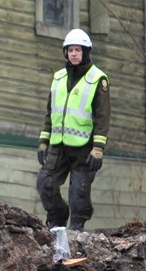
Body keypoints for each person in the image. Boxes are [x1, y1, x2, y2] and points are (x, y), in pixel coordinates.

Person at [36, 28, 109, 231]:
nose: (74, 54)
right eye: (70, 50)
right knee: (45, 183)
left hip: (84, 148)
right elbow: (50, 111)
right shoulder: (58, 78)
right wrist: (43, 141)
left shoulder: (97, 79)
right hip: (58, 145)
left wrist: (98, 148)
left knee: (79, 193)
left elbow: (103, 117)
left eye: (78, 50)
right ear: (65, 53)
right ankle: (57, 217)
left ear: (86, 52)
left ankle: (76, 229)